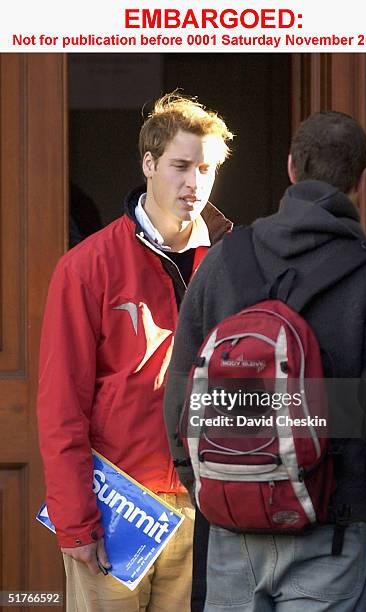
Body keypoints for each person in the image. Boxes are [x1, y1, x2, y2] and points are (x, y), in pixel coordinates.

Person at [164, 111, 366, 611]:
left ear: (291, 168)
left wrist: (207, 487)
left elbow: (180, 392)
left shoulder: (223, 260)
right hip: (336, 530)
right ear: (362, 182)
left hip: (231, 527)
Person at [37, 92, 233, 612]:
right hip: (117, 507)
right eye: (181, 165)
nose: (195, 183)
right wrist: (74, 521)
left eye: (208, 168)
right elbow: (61, 404)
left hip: (206, 507)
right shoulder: (88, 266)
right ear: (148, 163)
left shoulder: (233, 264)